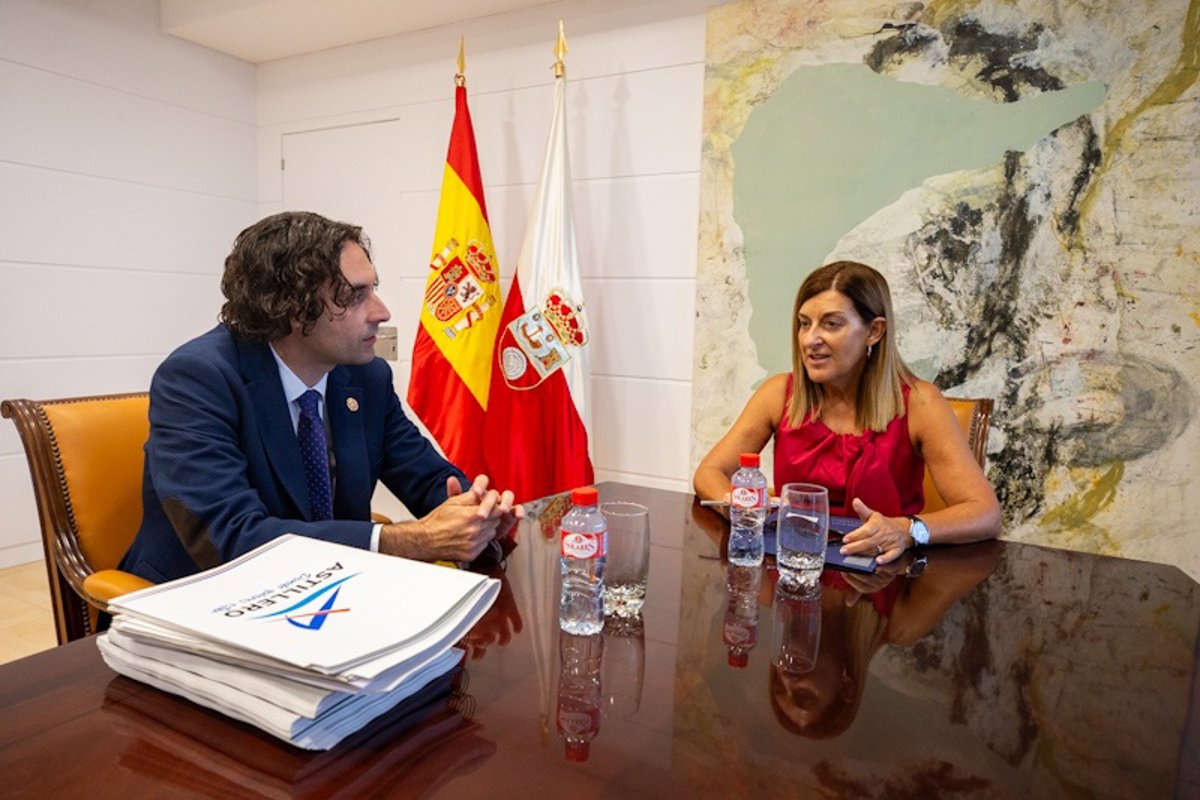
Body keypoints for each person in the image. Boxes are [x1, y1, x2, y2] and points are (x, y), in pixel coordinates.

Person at [120, 211, 521, 583]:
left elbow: (428, 477)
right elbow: (233, 536)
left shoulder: (366, 377)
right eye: (355, 295)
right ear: (293, 308)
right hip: (202, 595)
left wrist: (477, 514)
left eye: (373, 289)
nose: (381, 312)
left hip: (328, 588)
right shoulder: (198, 379)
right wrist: (407, 540)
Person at [693, 260, 1000, 565]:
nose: (810, 340)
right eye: (804, 323)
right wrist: (737, 506)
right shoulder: (778, 393)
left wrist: (906, 531)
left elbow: (984, 513)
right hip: (795, 569)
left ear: (874, 331)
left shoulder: (921, 403)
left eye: (831, 324)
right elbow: (709, 473)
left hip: (884, 576)